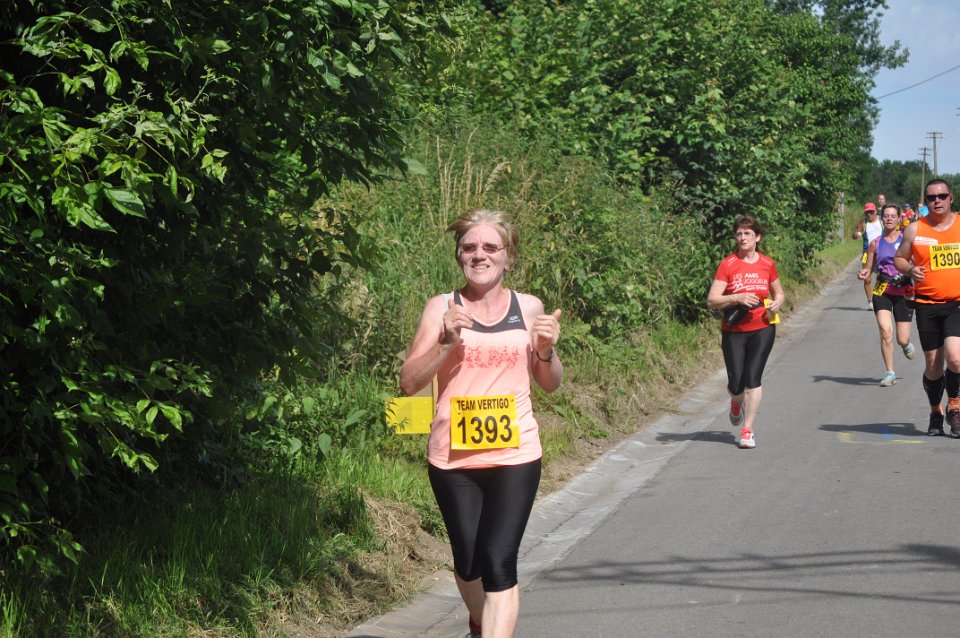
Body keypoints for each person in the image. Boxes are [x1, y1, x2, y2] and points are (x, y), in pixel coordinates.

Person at [399, 208, 563, 638]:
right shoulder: (441, 308)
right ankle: (478, 622)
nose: (480, 254)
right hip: (453, 457)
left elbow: (550, 383)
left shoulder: (529, 307)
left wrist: (546, 350)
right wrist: (445, 343)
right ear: (459, 256)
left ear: (509, 257)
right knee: (469, 562)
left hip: (516, 453)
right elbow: (409, 383)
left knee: (498, 561)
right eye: (469, 247)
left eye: (491, 247)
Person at [707, 215, 785, 449]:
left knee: (753, 379)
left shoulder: (767, 264)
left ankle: (747, 430)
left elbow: (779, 292)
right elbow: (712, 300)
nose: (742, 237)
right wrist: (736, 297)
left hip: (763, 327)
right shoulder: (728, 264)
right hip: (734, 329)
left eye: (747, 233)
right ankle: (736, 400)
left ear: (757, 237)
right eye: (739, 234)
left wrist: (777, 303)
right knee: (736, 383)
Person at [894, 179, 960, 437]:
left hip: (956, 304)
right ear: (926, 201)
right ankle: (935, 411)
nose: (937, 201)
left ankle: (954, 406)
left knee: (956, 358)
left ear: (951, 197)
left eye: (942, 196)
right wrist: (911, 269)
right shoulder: (915, 229)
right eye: (932, 197)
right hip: (927, 305)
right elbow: (900, 258)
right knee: (933, 366)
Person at [857, 203, 916, 386]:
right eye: (886, 216)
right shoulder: (875, 243)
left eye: (893, 216)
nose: (889, 218)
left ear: (899, 219)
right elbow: (869, 268)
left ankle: (905, 344)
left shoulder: (907, 241)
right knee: (885, 331)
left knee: (902, 338)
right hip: (882, 289)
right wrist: (864, 272)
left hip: (903, 291)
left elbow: (916, 264)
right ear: (882, 219)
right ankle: (890, 373)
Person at [853, 203, 883, 310]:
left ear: (875, 211)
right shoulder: (863, 223)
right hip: (867, 253)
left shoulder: (881, 222)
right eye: (867, 212)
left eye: (871, 212)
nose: (869, 214)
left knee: (881, 278)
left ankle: (879, 299)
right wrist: (856, 234)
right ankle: (870, 302)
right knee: (867, 279)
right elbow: (854, 235)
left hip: (880, 252)